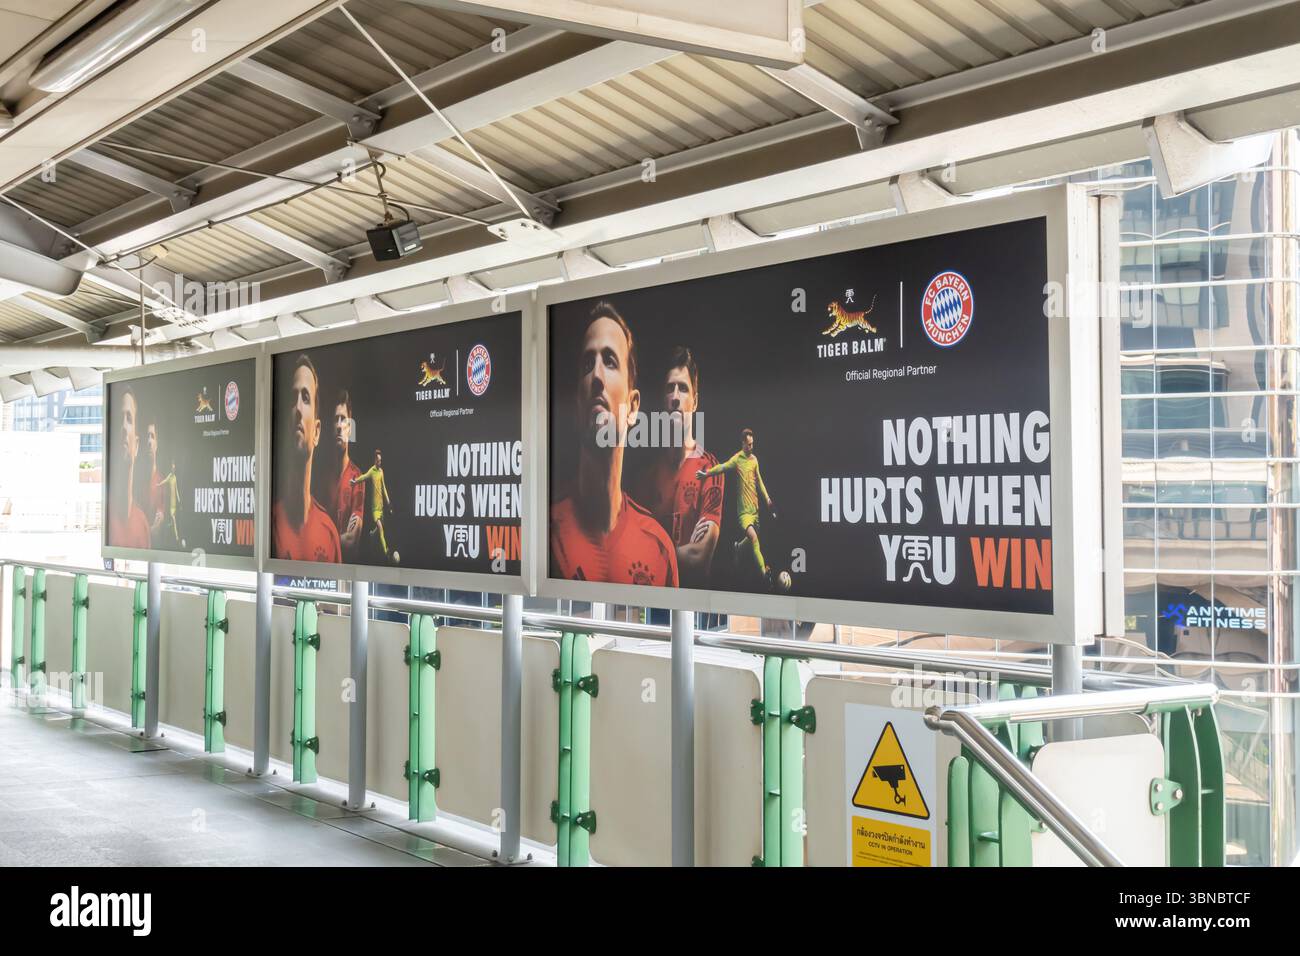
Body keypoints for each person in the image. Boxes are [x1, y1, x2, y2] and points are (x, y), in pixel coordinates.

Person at [550, 301, 677, 586]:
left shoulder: (658, 548)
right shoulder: (544, 531)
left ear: (633, 407)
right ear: (576, 405)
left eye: (609, 361)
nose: (596, 376)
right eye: (587, 364)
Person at [640, 346, 722, 589]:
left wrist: (654, 551)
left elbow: (699, 556)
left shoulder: (710, 468)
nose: (675, 396)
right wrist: (681, 550)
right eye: (669, 388)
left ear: (695, 401)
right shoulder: (645, 478)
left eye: (683, 388)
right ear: (662, 399)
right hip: (649, 602)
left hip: (695, 605)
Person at [272, 354, 341, 563]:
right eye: (293, 399)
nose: (299, 409)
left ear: (317, 432)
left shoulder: (329, 533)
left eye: (306, 398)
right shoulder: (269, 524)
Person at [699, 427, 776, 586]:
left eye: (752, 444)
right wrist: (706, 474)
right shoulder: (737, 459)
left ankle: (738, 548)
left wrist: (767, 498)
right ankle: (764, 572)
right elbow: (722, 467)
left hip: (755, 511)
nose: (751, 447)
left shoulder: (754, 460)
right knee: (754, 538)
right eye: (748, 444)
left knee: (752, 538)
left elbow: (759, 481)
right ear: (742, 443)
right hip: (744, 514)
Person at [108, 386, 151, 549]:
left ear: (138, 445)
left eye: (129, 419)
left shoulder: (143, 524)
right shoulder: (107, 519)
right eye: (120, 419)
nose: (124, 427)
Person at [325, 390, 364, 561]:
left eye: (344, 420)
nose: (339, 425)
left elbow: (352, 540)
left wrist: (323, 539)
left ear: (350, 428)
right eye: (335, 420)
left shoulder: (357, 477)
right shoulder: (319, 477)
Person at [351, 448, 393, 562]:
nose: (380, 462)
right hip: (374, 508)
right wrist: (355, 482)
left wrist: (388, 503)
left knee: (381, 528)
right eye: (378, 460)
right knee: (380, 528)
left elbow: (384, 488)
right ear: (375, 460)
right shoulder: (372, 471)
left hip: (381, 506)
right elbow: (363, 477)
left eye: (381, 461)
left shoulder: (381, 472)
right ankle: (386, 551)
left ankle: (372, 535)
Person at [152, 458, 180, 548]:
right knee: (173, 519)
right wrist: (158, 484)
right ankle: (176, 537)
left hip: (174, 503)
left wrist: (179, 499)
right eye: (172, 468)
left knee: (173, 519)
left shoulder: (174, 477)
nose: (173, 469)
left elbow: (176, 490)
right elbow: (163, 482)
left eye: (174, 468)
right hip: (168, 506)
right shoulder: (168, 477)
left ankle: (176, 537)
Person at [145, 422, 165, 540]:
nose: (149, 441)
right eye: (147, 436)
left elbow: (161, 513)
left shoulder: (162, 481)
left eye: (152, 436)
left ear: (157, 444)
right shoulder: (135, 483)